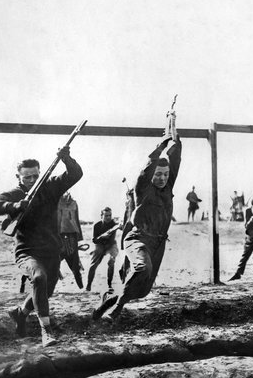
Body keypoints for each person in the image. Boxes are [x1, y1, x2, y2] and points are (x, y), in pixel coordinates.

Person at [93, 115, 180, 322]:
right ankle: (116, 310)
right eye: (158, 174)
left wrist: (173, 126)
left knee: (142, 290)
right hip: (137, 238)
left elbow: (176, 158)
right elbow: (147, 167)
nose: (162, 178)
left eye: (165, 175)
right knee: (142, 268)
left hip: (157, 243)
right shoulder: (143, 188)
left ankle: (108, 302)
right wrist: (162, 145)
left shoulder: (168, 188)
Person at [0, 149, 83, 345]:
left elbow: (76, 174)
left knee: (44, 291)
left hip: (52, 250)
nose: (33, 180)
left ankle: (20, 313)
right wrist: (14, 206)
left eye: (36, 175)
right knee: (38, 278)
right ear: (18, 177)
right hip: (27, 252)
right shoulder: (15, 193)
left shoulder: (50, 186)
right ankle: (46, 331)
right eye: (27, 177)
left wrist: (66, 158)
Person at [86, 207, 120, 292]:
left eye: (110, 215)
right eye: (106, 215)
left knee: (111, 262)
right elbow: (94, 240)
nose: (108, 217)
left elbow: (122, 226)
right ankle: (88, 286)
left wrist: (120, 225)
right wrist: (102, 236)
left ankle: (109, 285)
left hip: (111, 245)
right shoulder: (97, 225)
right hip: (100, 244)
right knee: (93, 265)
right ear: (101, 216)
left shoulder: (114, 224)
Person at [57, 192, 85, 288]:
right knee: (55, 260)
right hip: (59, 234)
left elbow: (76, 219)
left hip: (72, 234)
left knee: (75, 262)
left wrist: (79, 237)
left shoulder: (74, 203)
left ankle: (81, 287)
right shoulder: (56, 201)